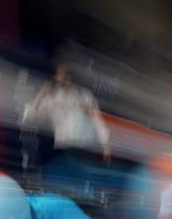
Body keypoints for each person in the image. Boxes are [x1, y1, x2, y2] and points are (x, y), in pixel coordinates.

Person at [23, 63, 112, 195]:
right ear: (55, 77)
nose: (63, 77)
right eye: (60, 74)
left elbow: (96, 119)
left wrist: (105, 144)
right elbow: (29, 116)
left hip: (84, 147)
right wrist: (42, 93)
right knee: (64, 185)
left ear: (71, 76)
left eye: (65, 74)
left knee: (84, 184)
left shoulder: (83, 95)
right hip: (63, 148)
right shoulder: (52, 98)